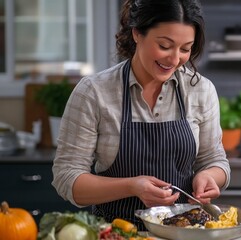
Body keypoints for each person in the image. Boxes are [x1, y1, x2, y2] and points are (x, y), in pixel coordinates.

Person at [52, 0, 230, 229]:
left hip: (184, 233)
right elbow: (67, 177)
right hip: (116, 232)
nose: (175, 60)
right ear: (137, 33)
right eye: (165, 46)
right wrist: (131, 186)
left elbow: (215, 160)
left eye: (185, 49)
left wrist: (210, 177)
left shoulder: (201, 90)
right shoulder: (94, 92)